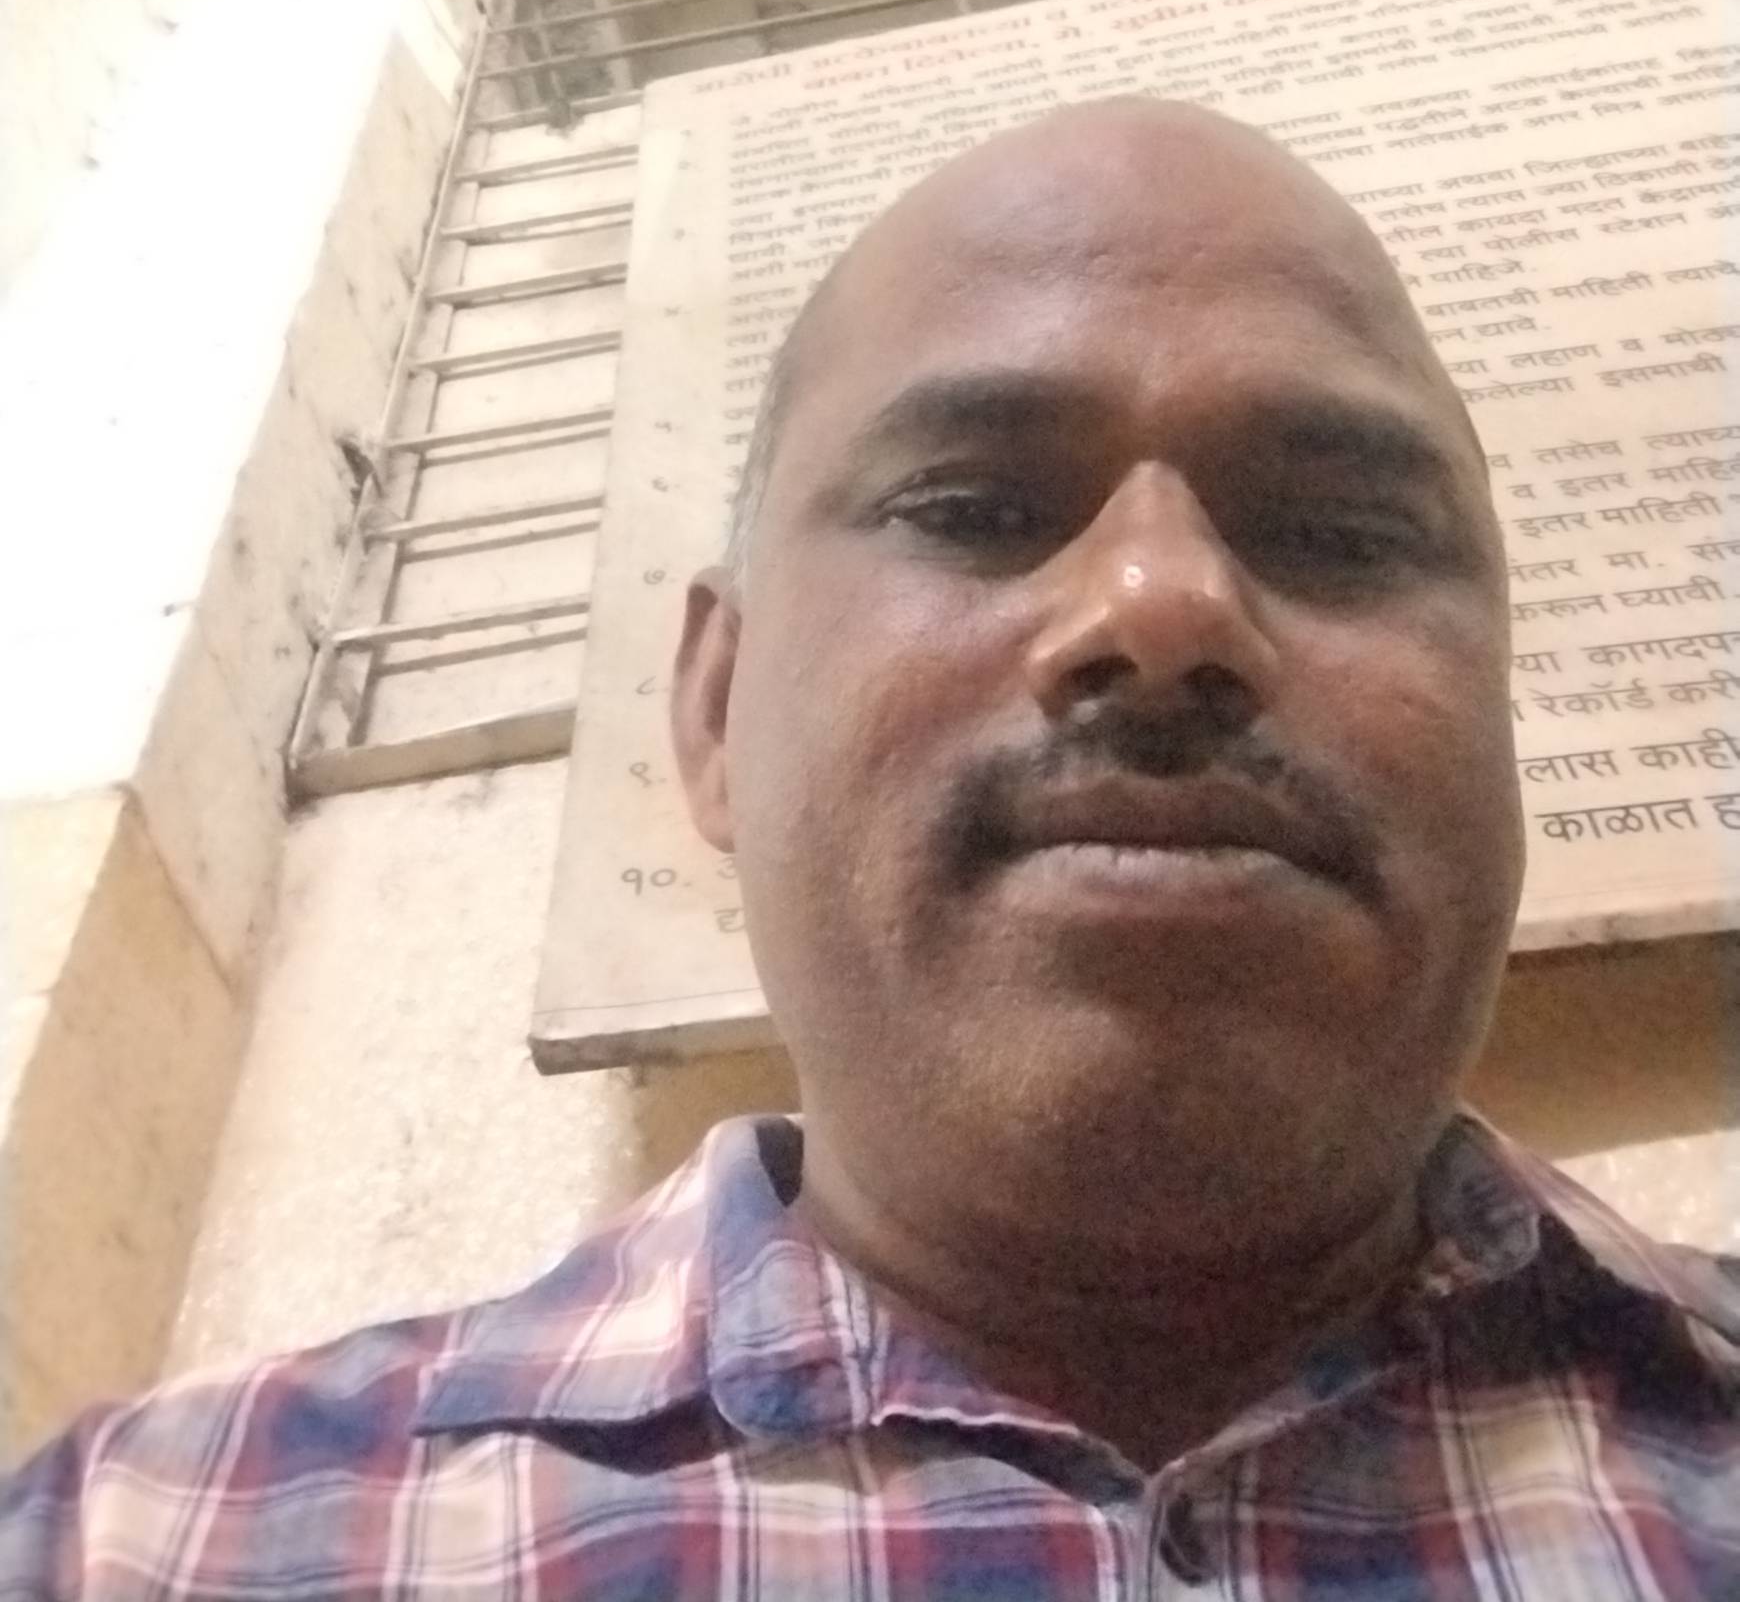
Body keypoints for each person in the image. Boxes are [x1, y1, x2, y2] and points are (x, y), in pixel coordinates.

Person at [3, 97, 1736, 1599]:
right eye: (973, 508)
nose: (1163, 605)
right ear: (716, 708)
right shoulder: (146, 1549)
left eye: (1343, 533)